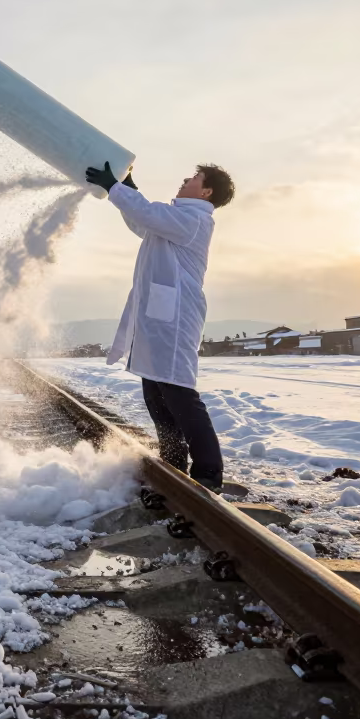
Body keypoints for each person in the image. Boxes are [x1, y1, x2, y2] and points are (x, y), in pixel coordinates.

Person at [84, 160, 235, 491]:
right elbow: (144, 221)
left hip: (176, 319)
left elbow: (149, 215)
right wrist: (128, 189)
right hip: (159, 320)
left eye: (194, 177)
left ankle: (209, 472)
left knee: (179, 392)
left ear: (206, 191)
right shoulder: (175, 218)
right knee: (156, 391)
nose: (185, 179)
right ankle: (174, 460)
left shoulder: (194, 219)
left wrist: (115, 187)